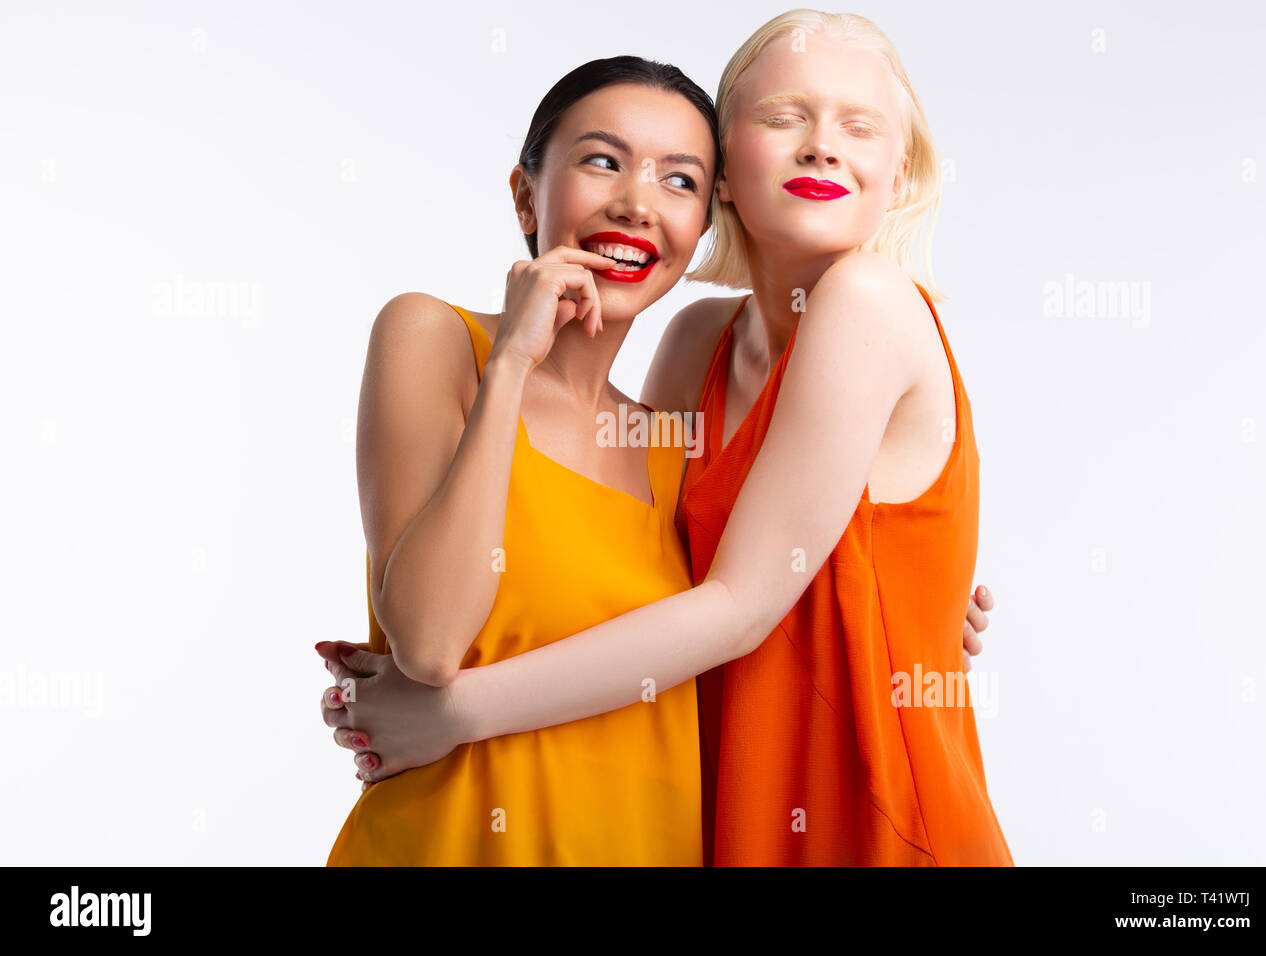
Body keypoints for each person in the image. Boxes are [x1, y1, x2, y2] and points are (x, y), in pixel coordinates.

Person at [323, 10, 1007, 866]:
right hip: (725, 818)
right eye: (784, 116)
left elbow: (740, 604)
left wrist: (452, 713)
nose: (824, 147)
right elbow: (675, 578)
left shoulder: (868, 299)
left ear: (898, 174)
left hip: (869, 821)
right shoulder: (694, 347)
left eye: (859, 126)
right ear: (730, 178)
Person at [325, 56, 723, 865]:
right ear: (524, 195)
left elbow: (768, 604)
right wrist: (511, 363)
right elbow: (431, 644)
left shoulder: (675, 444)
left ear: (703, 230)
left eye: (680, 181)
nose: (637, 204)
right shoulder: (434, 340)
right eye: (602, 161)